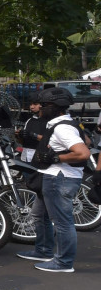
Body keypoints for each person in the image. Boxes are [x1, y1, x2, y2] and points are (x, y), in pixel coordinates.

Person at [16, 87, 90, 272]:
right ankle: (43, 250)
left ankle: (64, 262)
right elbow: (87, 141)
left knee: (63, 222)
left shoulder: (63, 127)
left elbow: (83, 152)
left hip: (60, 179)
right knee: (39, 215)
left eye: (44, 105)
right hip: (50, 177)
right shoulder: (63, 123)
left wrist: (56, 157)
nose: (40, 109)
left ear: (55, 106)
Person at [17, 93, 45, 163]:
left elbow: (49, 140)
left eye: (35, 104)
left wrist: (32, 135)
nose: (31, 107)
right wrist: (19, 135)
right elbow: (22, 141)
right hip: (26, 156)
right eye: (30, 104)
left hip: (40, 157)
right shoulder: (29, 120)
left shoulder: (49, 121)